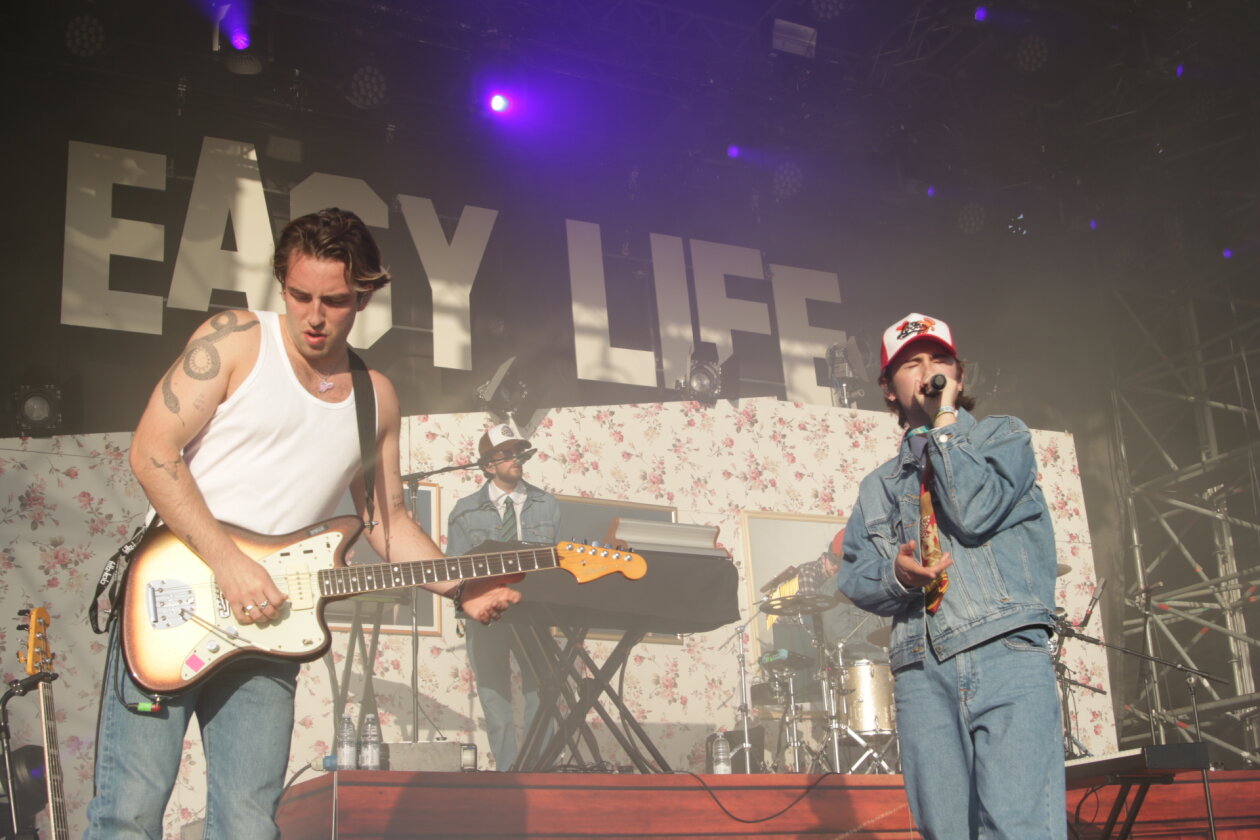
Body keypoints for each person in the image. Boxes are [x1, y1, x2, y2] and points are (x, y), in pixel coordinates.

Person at [84, 208, 521, 839]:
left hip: (273, 626)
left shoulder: (376, 395)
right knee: (128, 812)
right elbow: (152, 452)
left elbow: (385, 519)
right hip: (171, 603)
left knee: (249, 824)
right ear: (282, 285)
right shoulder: (235, 338)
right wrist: (230, 565)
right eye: (299, 295)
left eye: (335, 301)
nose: (313, 315)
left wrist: (459, 586)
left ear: (364, 296)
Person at [837, 313, 1063, 840]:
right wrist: (896, 574)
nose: (927, 372)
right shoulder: (877, 488)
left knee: (1018, 829)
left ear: (958, 376)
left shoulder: (1003, 437)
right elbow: (854, 576)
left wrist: (945, 426)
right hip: (921, 670)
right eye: (912, 364)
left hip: (1005, 649)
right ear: (889, 390)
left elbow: (974, 509)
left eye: (939, 360)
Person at [447, 424, 561, 770]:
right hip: (487, 613)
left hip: (534, 611)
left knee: (541, 692)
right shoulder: (465, 510)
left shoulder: (547, 504)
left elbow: (554, 565)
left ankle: (539, 769)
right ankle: (509, 774)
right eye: (505, 453)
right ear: (487, 465)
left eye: (518, 452)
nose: (516, 459)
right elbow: (456, 572)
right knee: (494, 695)